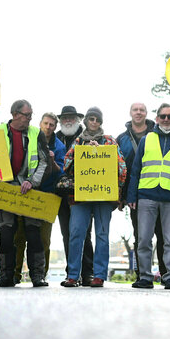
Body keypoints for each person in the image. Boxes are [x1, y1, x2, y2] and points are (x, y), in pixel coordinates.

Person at [128, 103, 170, 290]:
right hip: (146, 195)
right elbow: (136, 170)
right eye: (163, 116)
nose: (166, 119)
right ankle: (145, 277)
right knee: (143, 239)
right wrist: (131, 196)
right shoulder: (147, 140)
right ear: (157, 119)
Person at [61, 107, 127, 287]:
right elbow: (66, 165)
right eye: (91, 119)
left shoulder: (110, 141)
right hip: (80, 197)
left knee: (102, 235)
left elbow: (122, 168)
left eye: (97, 119)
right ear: (86, 121)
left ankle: (99, 276)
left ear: (101, 122)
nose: (94, 122)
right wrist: (83, 153)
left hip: (104, 197)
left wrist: (102, 153)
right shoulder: (78, 141)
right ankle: (73, 275)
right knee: (76, 234)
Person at [0, 100, 50, 288]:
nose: (30, 119)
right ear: (15, 114)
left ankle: (37, 276)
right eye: (27, 115)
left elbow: (43, 161)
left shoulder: (36, 133)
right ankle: (6, 276)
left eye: (31, 115)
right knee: (6, 234)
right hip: (5, 190)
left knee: (34, 234)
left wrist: (31, 182)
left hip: (29, 190)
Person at [12, 112, 65, 283]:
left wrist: (52, 161)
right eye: (46, 123)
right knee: (19, 236)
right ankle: (15, 274)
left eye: (52, 125)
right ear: (40, 123)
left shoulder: (59, 146)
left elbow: (61, 173)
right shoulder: (30, 137)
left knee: (43, 239)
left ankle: (40, 275)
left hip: (47, 195)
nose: (48, 127)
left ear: (55, 127)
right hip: (25, 192)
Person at [117, 102, 166, 281]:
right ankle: (142, 275)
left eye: (142, 110)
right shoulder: (121, 139)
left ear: (146, 113)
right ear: (130, 113)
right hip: (134, 196)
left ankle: (166, 274)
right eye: (135, 110)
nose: (138, 113)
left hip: (159, 190)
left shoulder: (158, 134)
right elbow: (117, 168)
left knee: (163, 235)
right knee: (141, 236)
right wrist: (120, 196)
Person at [55, 105, 94, 286]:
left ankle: (88, 273)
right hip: (62, 194)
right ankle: (72, 273)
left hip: (84, 193)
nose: (68, 121)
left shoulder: (88, 137)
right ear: (60, 121)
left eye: (71, 117)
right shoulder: (55, 138)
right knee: (67, 234)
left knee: (84, 234)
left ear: (78, 120)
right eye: (65, 118)